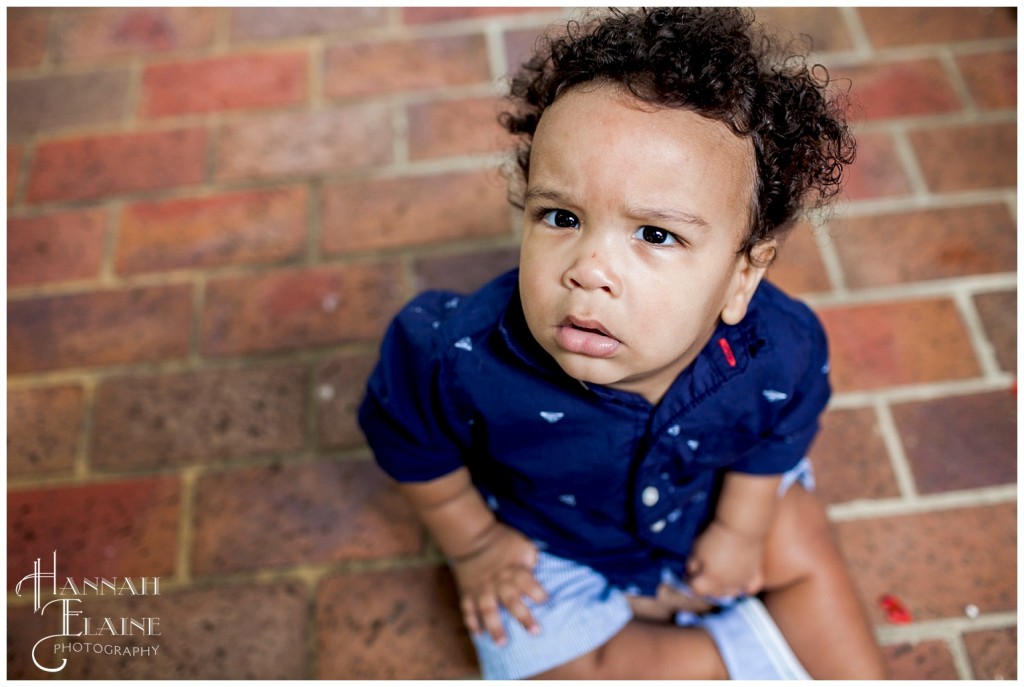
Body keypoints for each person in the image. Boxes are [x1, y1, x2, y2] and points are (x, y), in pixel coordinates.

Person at [359, 7, 886, 680]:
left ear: (740, 276)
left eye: (655, 234)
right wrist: (476, 543)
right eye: (561, 216)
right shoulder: (456, 353)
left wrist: (741, 527)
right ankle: (746, 655)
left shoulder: (776, 349)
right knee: (541, 658)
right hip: (553, 540)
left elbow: (785, 423)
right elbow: (406, 432)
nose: (588, 268)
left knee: (797, 532)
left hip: (711, 499)